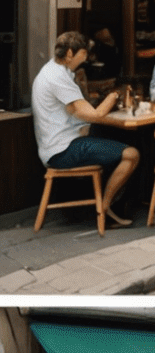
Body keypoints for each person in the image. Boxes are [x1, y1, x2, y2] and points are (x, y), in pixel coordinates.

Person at [31, 31, 140, 227]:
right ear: (71, 53)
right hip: (62, 151)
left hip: (59, 144)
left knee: (112, 138)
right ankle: (104, 209)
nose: (86, 58)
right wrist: (114, 95)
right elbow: (95, 115)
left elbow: (76, 112)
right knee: (131, 154)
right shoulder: (57, 77)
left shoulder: (54, 71)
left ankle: (107, 206)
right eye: (83, 53)